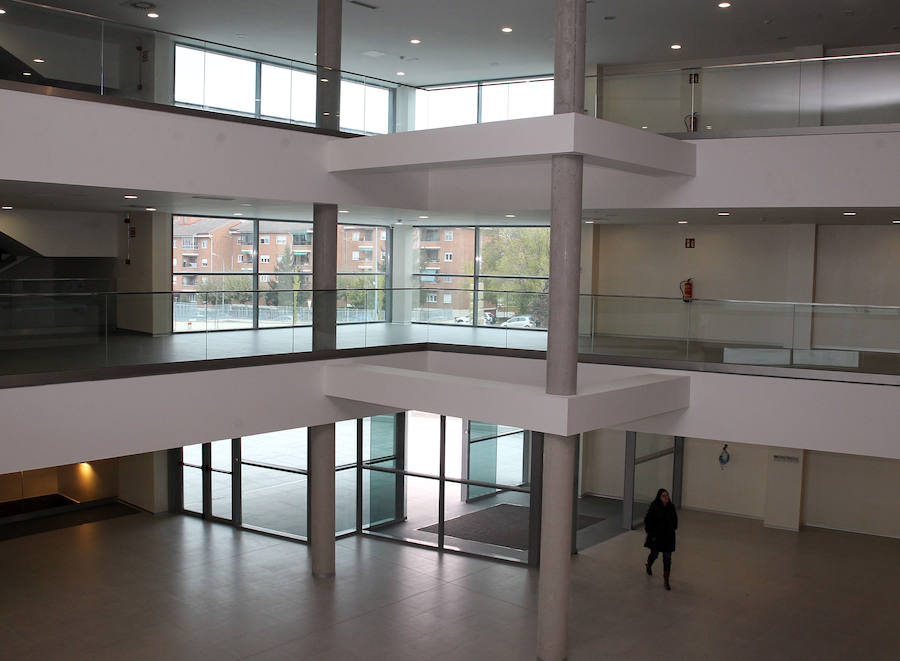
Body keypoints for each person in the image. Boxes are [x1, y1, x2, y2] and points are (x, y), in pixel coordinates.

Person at [643, 488, 678, 590]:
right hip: (656, 537)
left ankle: (666, 580)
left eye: (667, 495)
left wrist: (672, 529)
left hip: (668, 538)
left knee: (667, 558)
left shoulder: (671, 507)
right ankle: (648, 565)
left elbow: (675, 521)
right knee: (654, 554)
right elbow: (647, 521)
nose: (666, 497)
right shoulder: (654, 507)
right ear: (659, 497)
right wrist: (651, 534)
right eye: (663, 496)